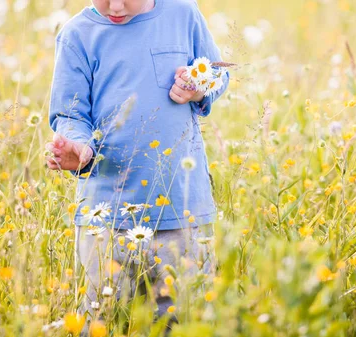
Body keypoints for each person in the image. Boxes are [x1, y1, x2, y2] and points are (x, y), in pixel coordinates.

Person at [44, 0, 229, 334]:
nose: (115, 6)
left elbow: (216, 72)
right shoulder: (77, 35)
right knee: (103, 318)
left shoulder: (183, 14)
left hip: (181, 211)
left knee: (181, 318)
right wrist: (78, 149)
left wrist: (201, 87)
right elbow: (70, 113)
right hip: (106, 218)